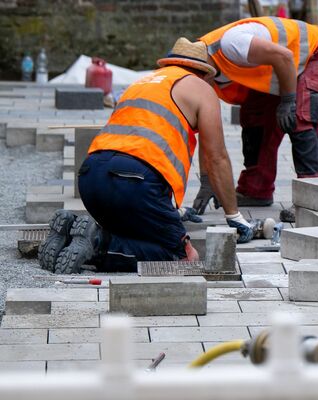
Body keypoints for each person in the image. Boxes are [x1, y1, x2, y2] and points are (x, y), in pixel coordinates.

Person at [38, 38, 255, 274]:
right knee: (182, 257)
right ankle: (99, 243)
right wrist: (234, 215)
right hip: (136, 182)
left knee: (136, 234)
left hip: (91, 177)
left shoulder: (141, 83)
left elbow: (137, 138)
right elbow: (217, 156)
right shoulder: (202, 88)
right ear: (203, 72)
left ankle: (71, 235)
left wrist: (196, 189)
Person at [192, 16, 318, 212]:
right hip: (278, 66)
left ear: (204, 71)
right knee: (255, 116)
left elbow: (285, 56)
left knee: (300, 117)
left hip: (313, 51)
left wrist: (287, 101)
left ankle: (312, 198)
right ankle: (256, 190)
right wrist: (208, 180)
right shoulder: (204, 70)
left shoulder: (231, 44)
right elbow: (208, 133)